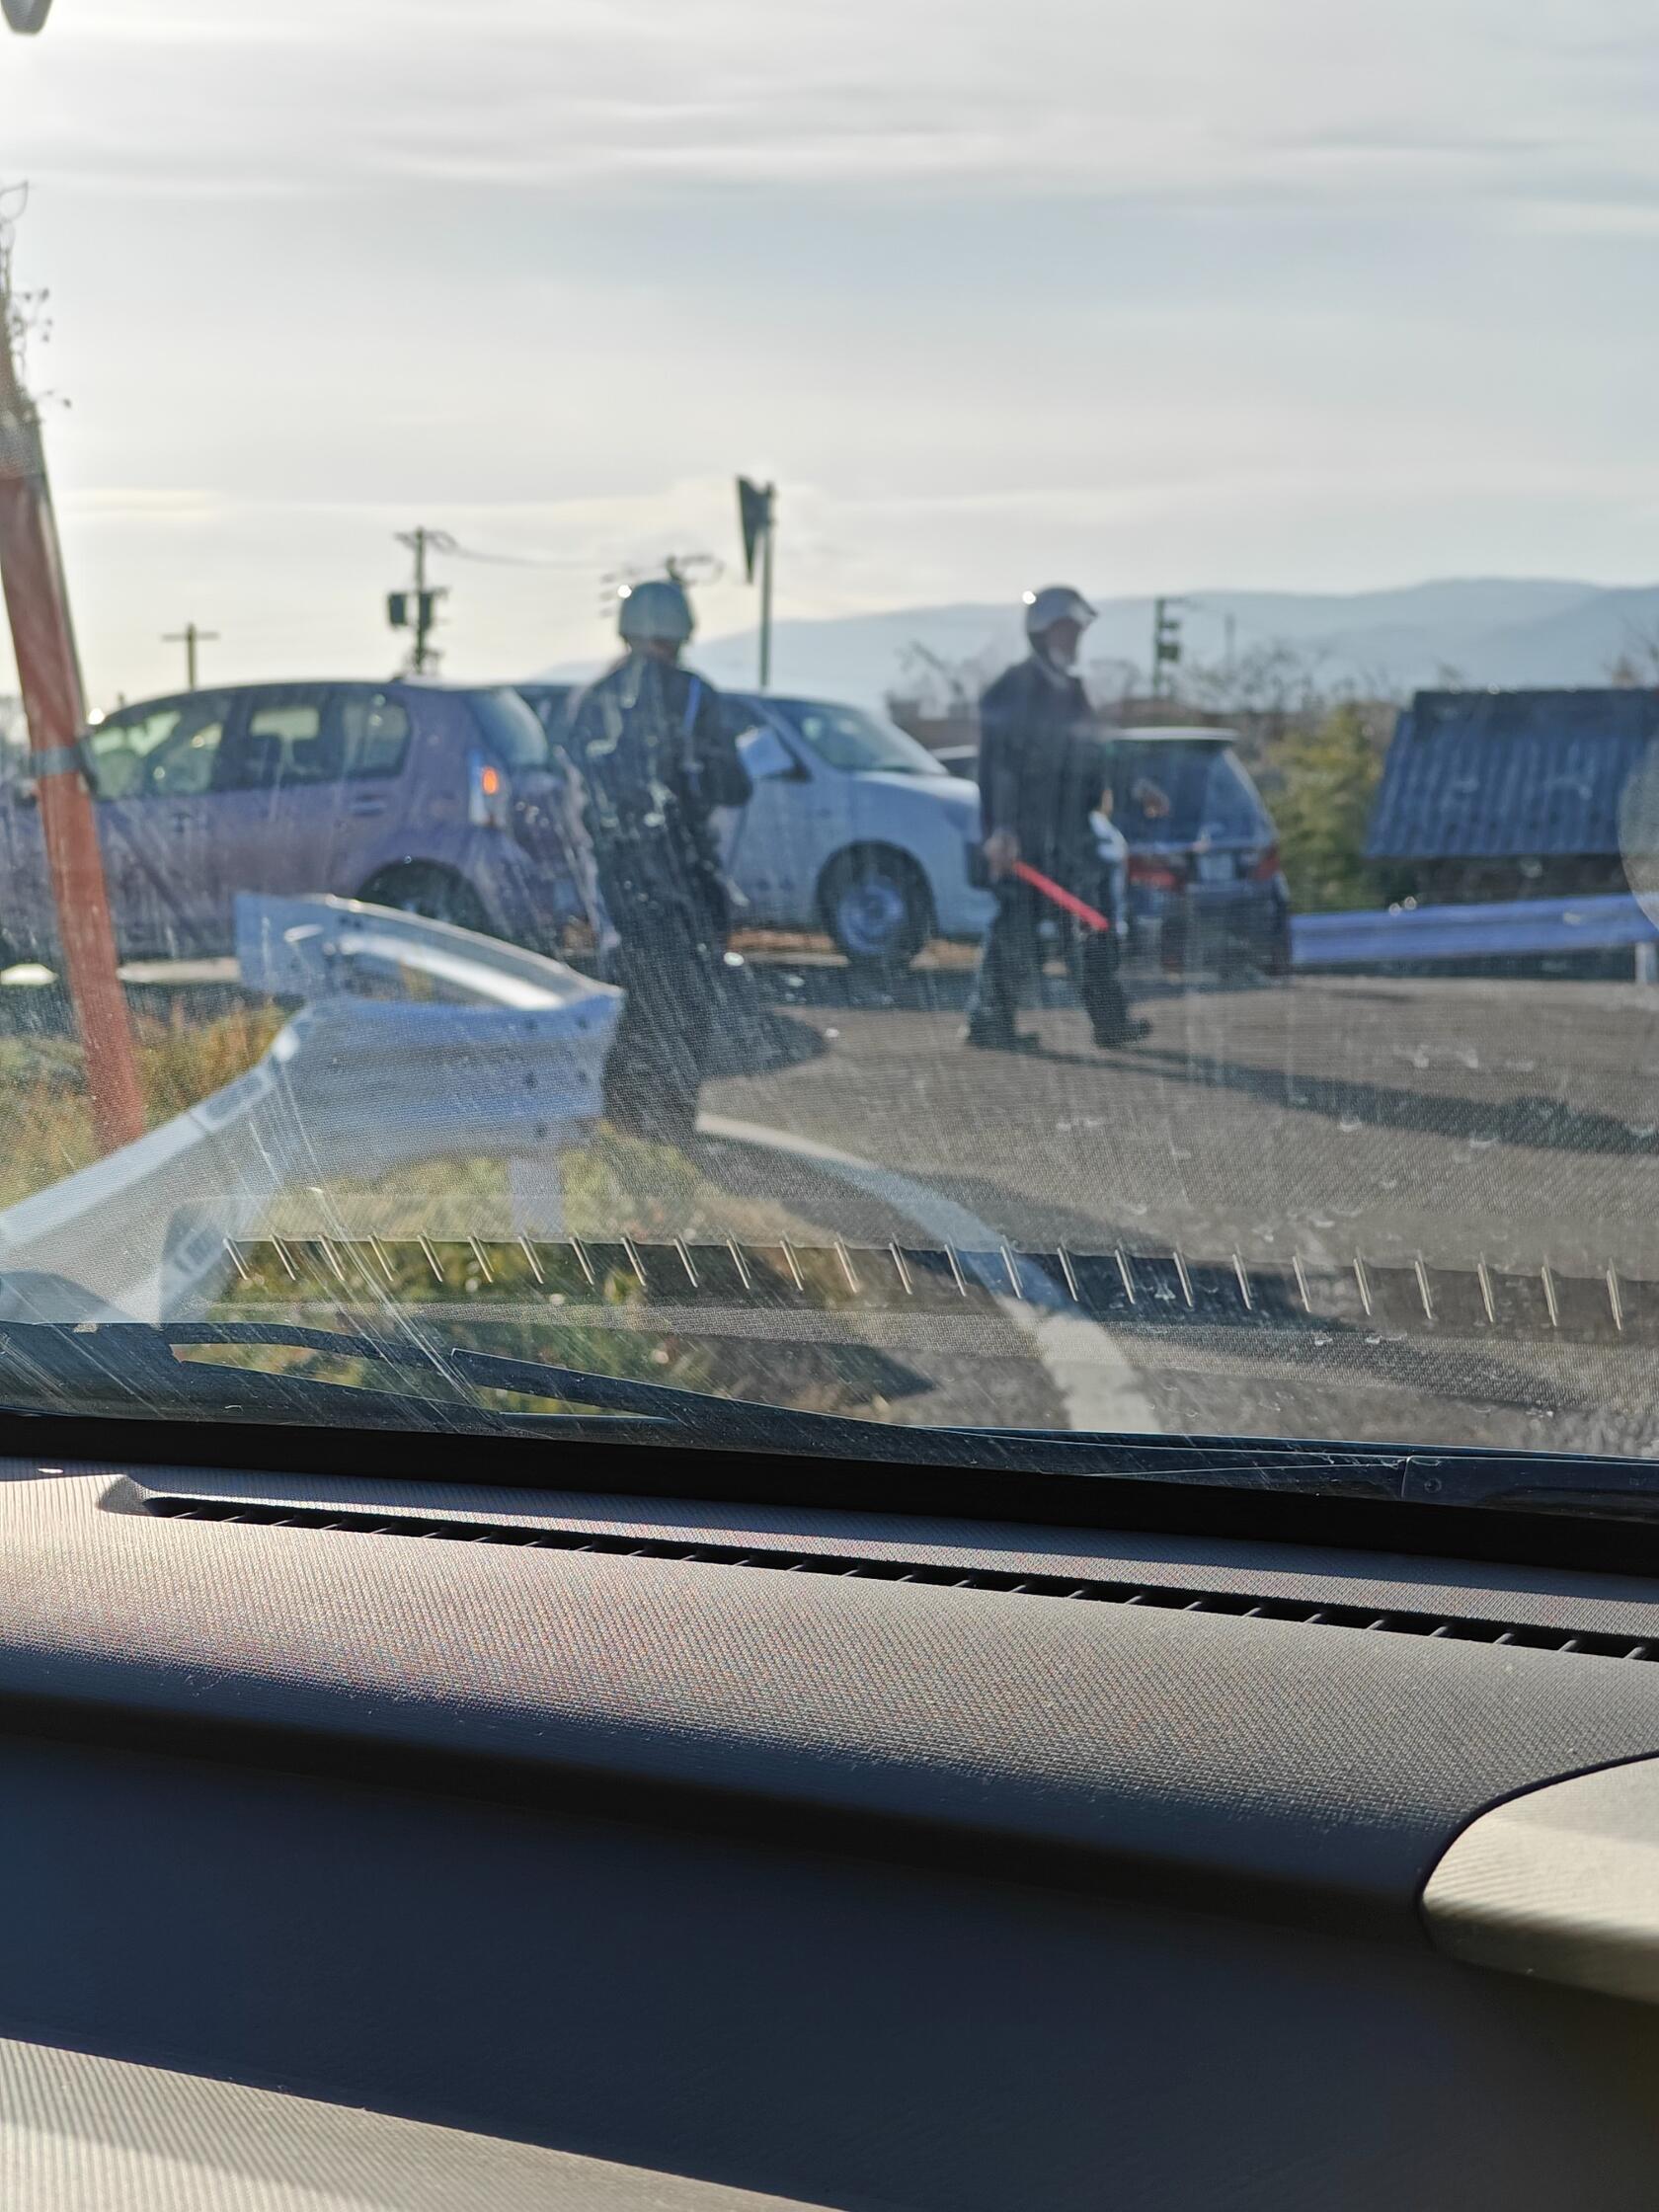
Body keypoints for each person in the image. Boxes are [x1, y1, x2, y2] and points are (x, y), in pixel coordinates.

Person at [557, 577, 753, 1146]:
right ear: (682, 629)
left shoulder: (593, 697)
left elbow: (582, 787)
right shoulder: (695, 696)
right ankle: (670, 1125)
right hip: (687, 873)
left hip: (618, 876)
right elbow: (733, 784)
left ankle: (620, 1127)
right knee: (687, 999)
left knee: (629, 996)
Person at [964, 585, 1150, 1053]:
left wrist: (1134, 787)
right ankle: (988, 1023)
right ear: (1043, 632)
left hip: (1070, 834)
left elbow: (1096, 751)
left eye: (1077, 629)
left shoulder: (1070, 690)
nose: (1076, 638)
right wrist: (1001, 830)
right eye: (1067, 628)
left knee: (1093, 925)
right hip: (1025, 838)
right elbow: (997, 766)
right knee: (1017, 929)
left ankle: (1110, 1022)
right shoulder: (1014, 690)